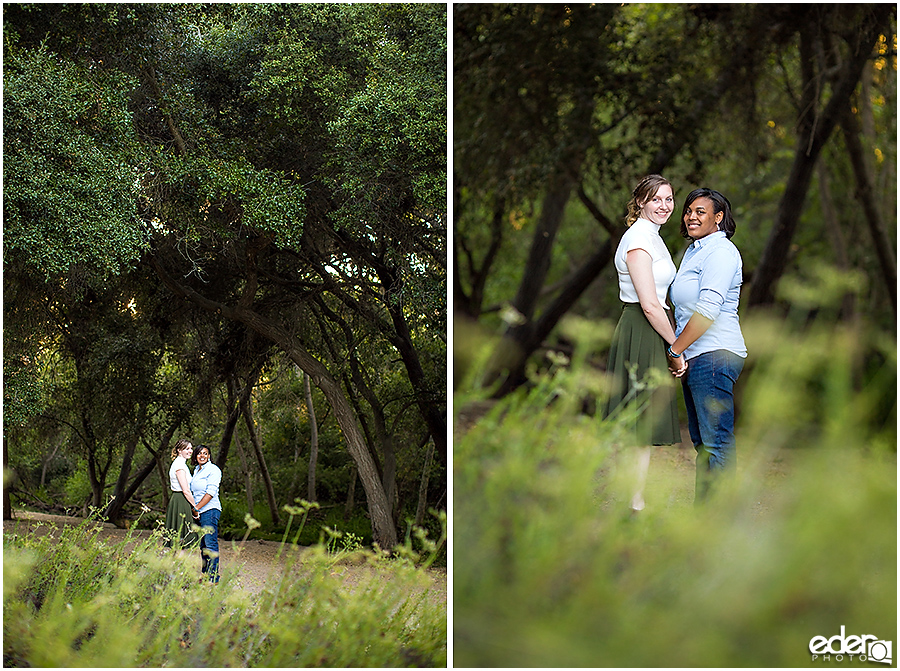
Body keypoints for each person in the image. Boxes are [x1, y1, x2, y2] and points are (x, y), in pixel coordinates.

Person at [603, 174, 685, 513]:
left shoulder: (652, 236)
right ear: (640, 202)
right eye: (656, 200)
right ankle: (632, 500)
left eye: (668, 199)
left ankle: (633, 497)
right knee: (637, 419)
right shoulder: (638, 239)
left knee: (641, 421)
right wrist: (676, 345)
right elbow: (650, 303)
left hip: (651, 327)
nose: (664, 206)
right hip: (642, 326)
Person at [667, 188, 747, 503]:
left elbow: (709, 309)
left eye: (700, 211)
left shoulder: (721, 252)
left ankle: (721, 519)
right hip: (697, 355)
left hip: (714, 354)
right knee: (703, 443)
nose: (691, 216)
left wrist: (675, 349)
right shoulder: (695, 251)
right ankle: (705, 517)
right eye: (688, 211)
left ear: (719, 218)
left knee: (716, 442)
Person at [190, 444, 223, 583]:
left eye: (205, 453)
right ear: (196, 456)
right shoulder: (196, 470)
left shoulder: (213, 470)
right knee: (203, 546)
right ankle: (205, 575)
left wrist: (196, 508)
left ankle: (213, 577)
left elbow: (210, 492)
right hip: (198, 512)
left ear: (209, 456)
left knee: (210, 544)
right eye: (199, 453)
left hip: (209, 510)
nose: (202, 456)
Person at [164, 438, 200, 549]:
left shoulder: (181, 464)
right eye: (186, 449)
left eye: (191, 448)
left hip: (181, 500)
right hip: (181, 500)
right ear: (179, 450)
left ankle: (176, 564)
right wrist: (196, 507)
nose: (190, 451)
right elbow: (186, 490)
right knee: (182, 538)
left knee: (181, 538)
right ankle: (178, 564)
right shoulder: (179, 465)